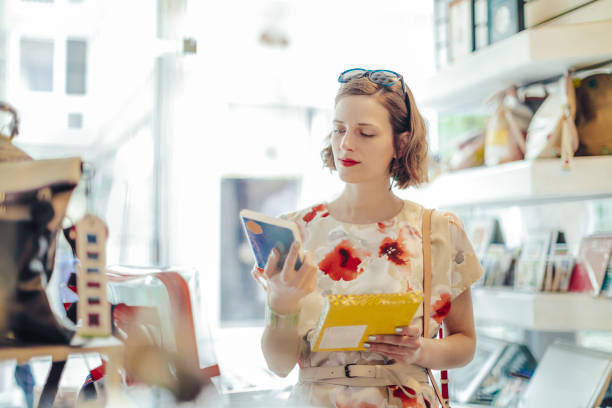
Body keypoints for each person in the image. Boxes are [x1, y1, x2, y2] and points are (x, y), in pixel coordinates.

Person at [252, 68, 484, 408]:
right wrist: (280, 306)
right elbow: (279, 364)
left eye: (365, 133)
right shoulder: (296, 232)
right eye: (339, 130)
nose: (346, 144)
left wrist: (422, 349)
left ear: (400, 142)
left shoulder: (439, 231)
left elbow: (465, 342)